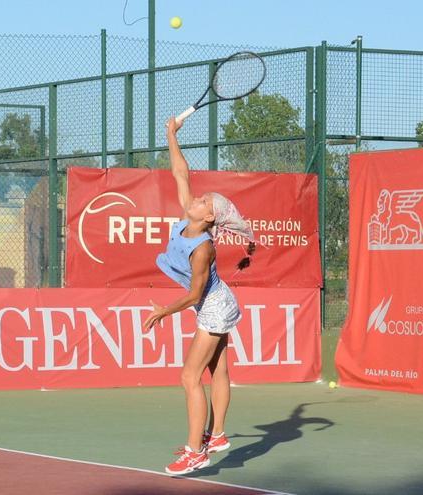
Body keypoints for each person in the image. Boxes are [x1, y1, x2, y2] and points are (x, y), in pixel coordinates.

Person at [144, 116, 256, 475]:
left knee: (189, 377)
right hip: (215, 300)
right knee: (217, 367)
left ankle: (196, 452)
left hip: (212, 305)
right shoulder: (187, 219)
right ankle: (218, 434)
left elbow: (194, 295)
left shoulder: (203, 248)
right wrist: (170, 135)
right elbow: (181, 173)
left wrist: (164, 311)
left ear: (209, 217)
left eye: (204, 200)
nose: (197, 198)